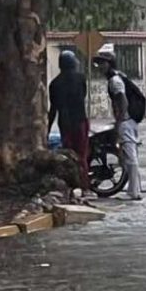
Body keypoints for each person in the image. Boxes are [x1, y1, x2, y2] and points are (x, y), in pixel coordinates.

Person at [93, 44, 142, 201]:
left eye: (102, 63)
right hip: (129, 121)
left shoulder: (115, 80)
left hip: (126, 122)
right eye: (99, 63)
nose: (100, 66)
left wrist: (119, 120)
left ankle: (134, 192)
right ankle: (135, 189)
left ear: (110, 64)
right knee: (130, 155)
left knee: (130, 156)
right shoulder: (118, 77)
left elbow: (122, 100)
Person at [47, 50, 89, 190]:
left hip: (65, 125)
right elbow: (83, 96)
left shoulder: (55, 84)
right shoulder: (80, 79)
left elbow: (53, 109)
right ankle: (84, 186)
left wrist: (47, 129)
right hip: (80, 121)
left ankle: (73, 186)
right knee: (82, 155)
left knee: (69, 156)